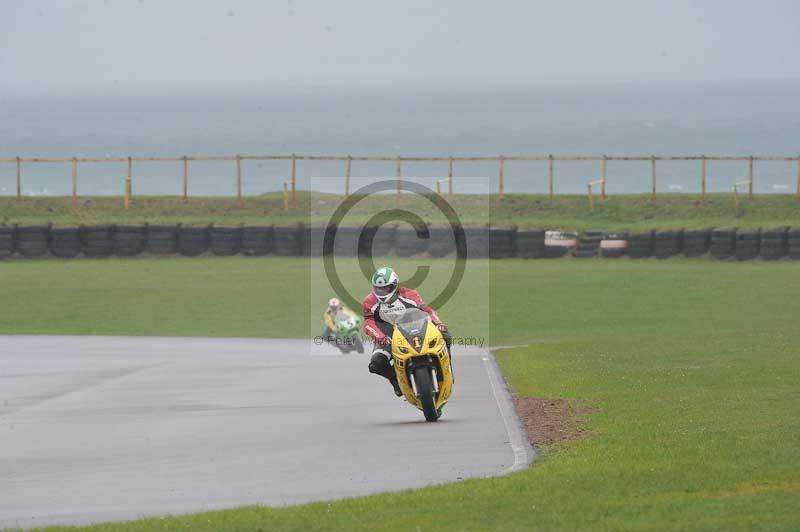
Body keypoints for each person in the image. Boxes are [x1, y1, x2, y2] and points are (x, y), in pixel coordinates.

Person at [362, 267, 450, 396]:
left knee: (446, 335)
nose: (382, 291)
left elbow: (427, 310)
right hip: (387, 337)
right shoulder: (369, 301)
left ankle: (448, 369)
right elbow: (368, 323)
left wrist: (439, 324)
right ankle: (396, 381)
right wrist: (381, 337)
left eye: (386, 287)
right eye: (378, 288)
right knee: (376, 364)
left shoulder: (410, 294)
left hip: (414, 330)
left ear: (395, 285)